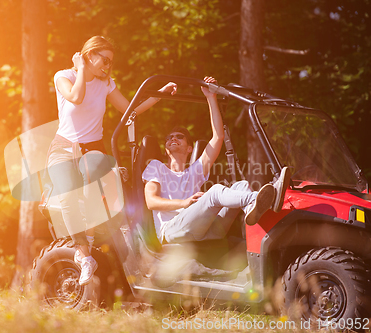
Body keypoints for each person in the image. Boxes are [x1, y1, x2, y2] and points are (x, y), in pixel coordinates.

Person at [47, 36, 177, 285]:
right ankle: (85, 258)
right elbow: (75, 97)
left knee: (94, 190)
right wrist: (82, 70)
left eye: (110, 62)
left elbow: (130, 110)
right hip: (62, 149)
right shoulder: (64, 76)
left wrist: (158, 95)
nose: (107, 66)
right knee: (67, 198)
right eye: (104, 60)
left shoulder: (106, 84)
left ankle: (92, 238)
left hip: (92, 149)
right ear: (89, 55)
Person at [142, 77, 291, 245]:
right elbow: (151, 201)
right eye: (169, 137)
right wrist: (184, 203)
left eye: (179, 136)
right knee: (215, 192)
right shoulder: (156, 167)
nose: (173, 138)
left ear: (190, 148)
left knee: (241, 185)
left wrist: (211, 97)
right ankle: (259, 199)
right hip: (170, 230)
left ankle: (253, 209)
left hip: (205, 231)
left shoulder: (195, 170)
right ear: (166, 148)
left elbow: (218, 137)